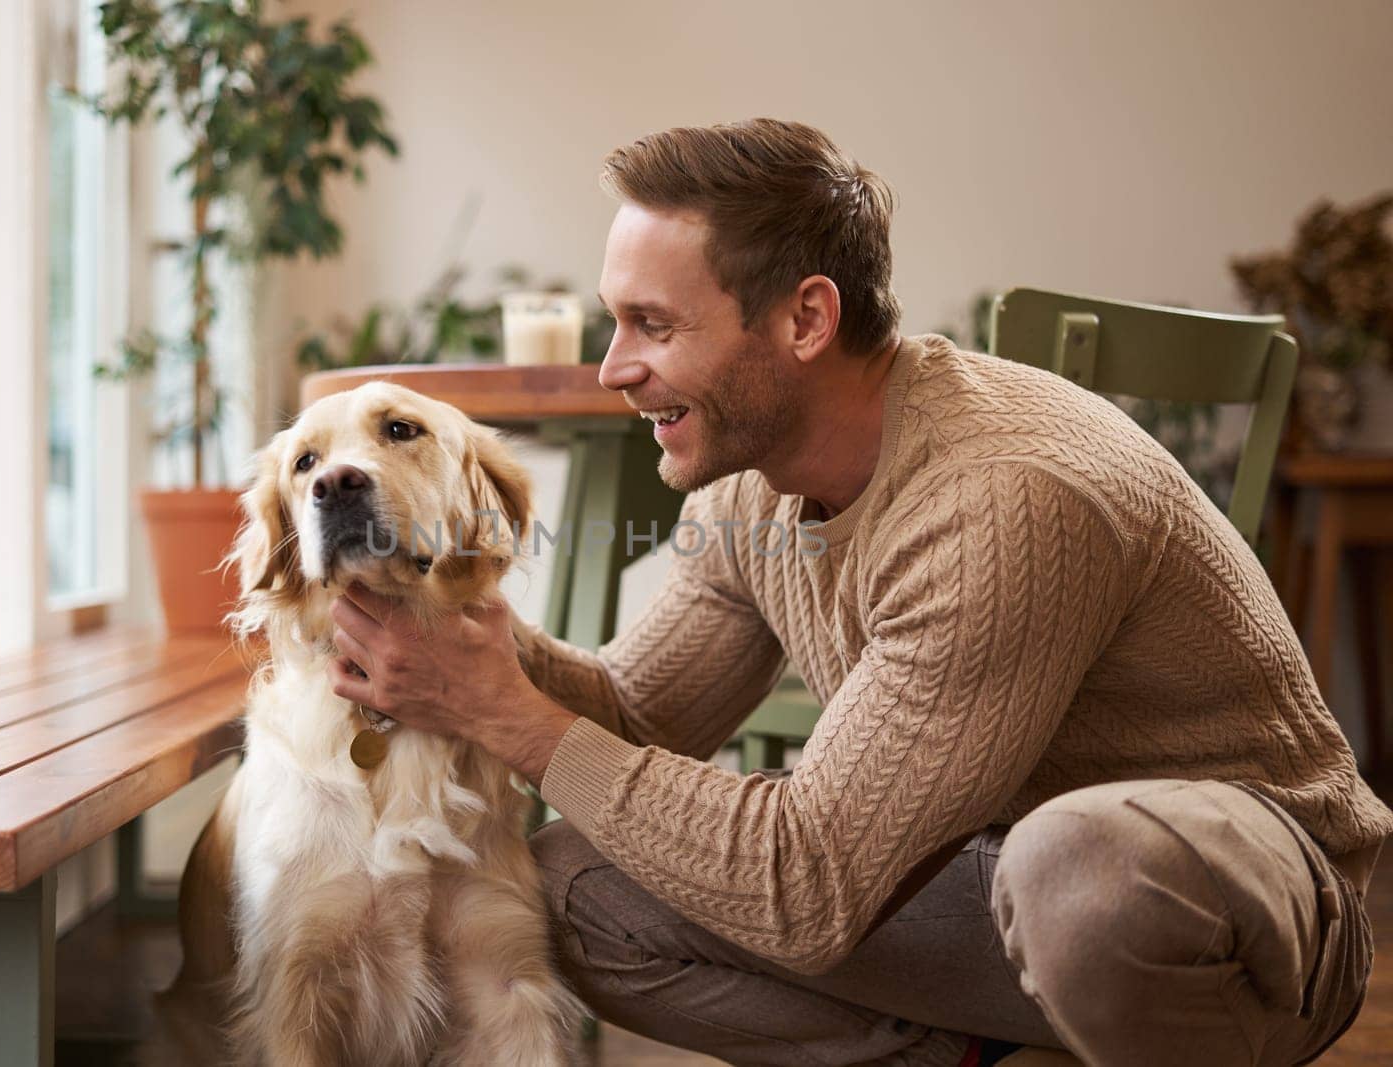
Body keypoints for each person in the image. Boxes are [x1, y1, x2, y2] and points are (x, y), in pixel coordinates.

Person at [324, 118, 1392, 1066]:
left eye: (653, 325)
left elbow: (808, 882)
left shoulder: (1001, 500)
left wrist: (501, 711)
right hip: (995, 878)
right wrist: (474, 639)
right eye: (616, 322)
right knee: (567, 889)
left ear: (804, 319)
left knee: (1076, 870)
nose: (613, 367)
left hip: (1242, 920)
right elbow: (642, 715)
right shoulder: (749, 481)